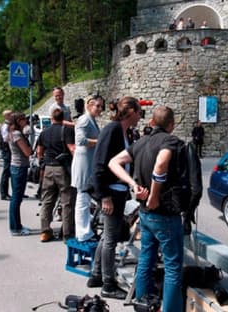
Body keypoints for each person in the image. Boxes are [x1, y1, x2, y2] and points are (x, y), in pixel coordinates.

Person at [109, 105, 186, 312]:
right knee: (172, 267)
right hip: (164, 213)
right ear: (171, 125)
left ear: (152, 122)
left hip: (145, 213)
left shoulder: (140, 143)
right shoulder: (170, 141)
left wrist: (133, 185)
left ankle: (143, 304)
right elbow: (161, 164)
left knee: (146, 259)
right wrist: (154, 194)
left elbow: (114, 162)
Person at [87, 96, 142, 299]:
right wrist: (105, 196)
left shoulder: (122, 130)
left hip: (116, 191)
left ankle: (96, 275)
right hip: (110, 192)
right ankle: (108, 285)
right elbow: (99, 164)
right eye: (138, 112)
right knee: (110, 239)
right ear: (130, 112)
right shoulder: (112, 129)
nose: (140, 116)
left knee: (106, 237)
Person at [37, 108, 76, 242]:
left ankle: (45, 231)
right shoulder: (67, 130)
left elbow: (39, 152)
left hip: (48, 168)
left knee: (47, 201)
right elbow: (72, 149)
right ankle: (67, 234)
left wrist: (42, 164)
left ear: (51, 118)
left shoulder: (44, 132)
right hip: (62, 168)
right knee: (67, 202)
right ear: (63, 117)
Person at [71, 96, 102, 242]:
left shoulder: (91, 119)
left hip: (88, 163)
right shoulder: (84, 119)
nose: (100, 109)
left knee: (85, 198)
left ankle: (85, 230)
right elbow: (80, 140)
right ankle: (83, 233)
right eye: (98, 106)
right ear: (89, 105)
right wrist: (99, 142)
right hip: (83, 164)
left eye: (101, 106)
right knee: (82, 199)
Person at [7, 112, 33, 236]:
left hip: (16, 166)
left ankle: (17, 225)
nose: (26, 121)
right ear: (18, 121)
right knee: (16, 199)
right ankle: (15, 228)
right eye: (23, 119)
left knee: (16, 198)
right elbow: (27, 152)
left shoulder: (14, 133)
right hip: (19, 167)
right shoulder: (17, 134)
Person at [0, 110, 12, 200]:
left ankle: (12, 192)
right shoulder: (5, 126)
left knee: (10, 172)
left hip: (9, 150)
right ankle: (4, 193)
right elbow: (5, 139)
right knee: (6, 172)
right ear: (6, 116)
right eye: (11, 114)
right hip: (7, 150)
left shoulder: (9, 125)